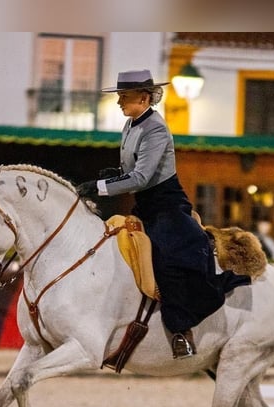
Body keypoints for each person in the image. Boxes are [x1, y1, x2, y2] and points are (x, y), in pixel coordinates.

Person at [75, 69, 250, 359]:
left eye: (124, 97)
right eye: (119, 97)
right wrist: (116, 175)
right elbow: (133, 171)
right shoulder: (131, 125)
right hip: (145, 206)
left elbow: (143, 177)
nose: (119, 102)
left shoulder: (155, 128)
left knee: (172, 258)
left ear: (144, 98)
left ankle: (182, 329)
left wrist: (100, 186)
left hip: (167, 205)